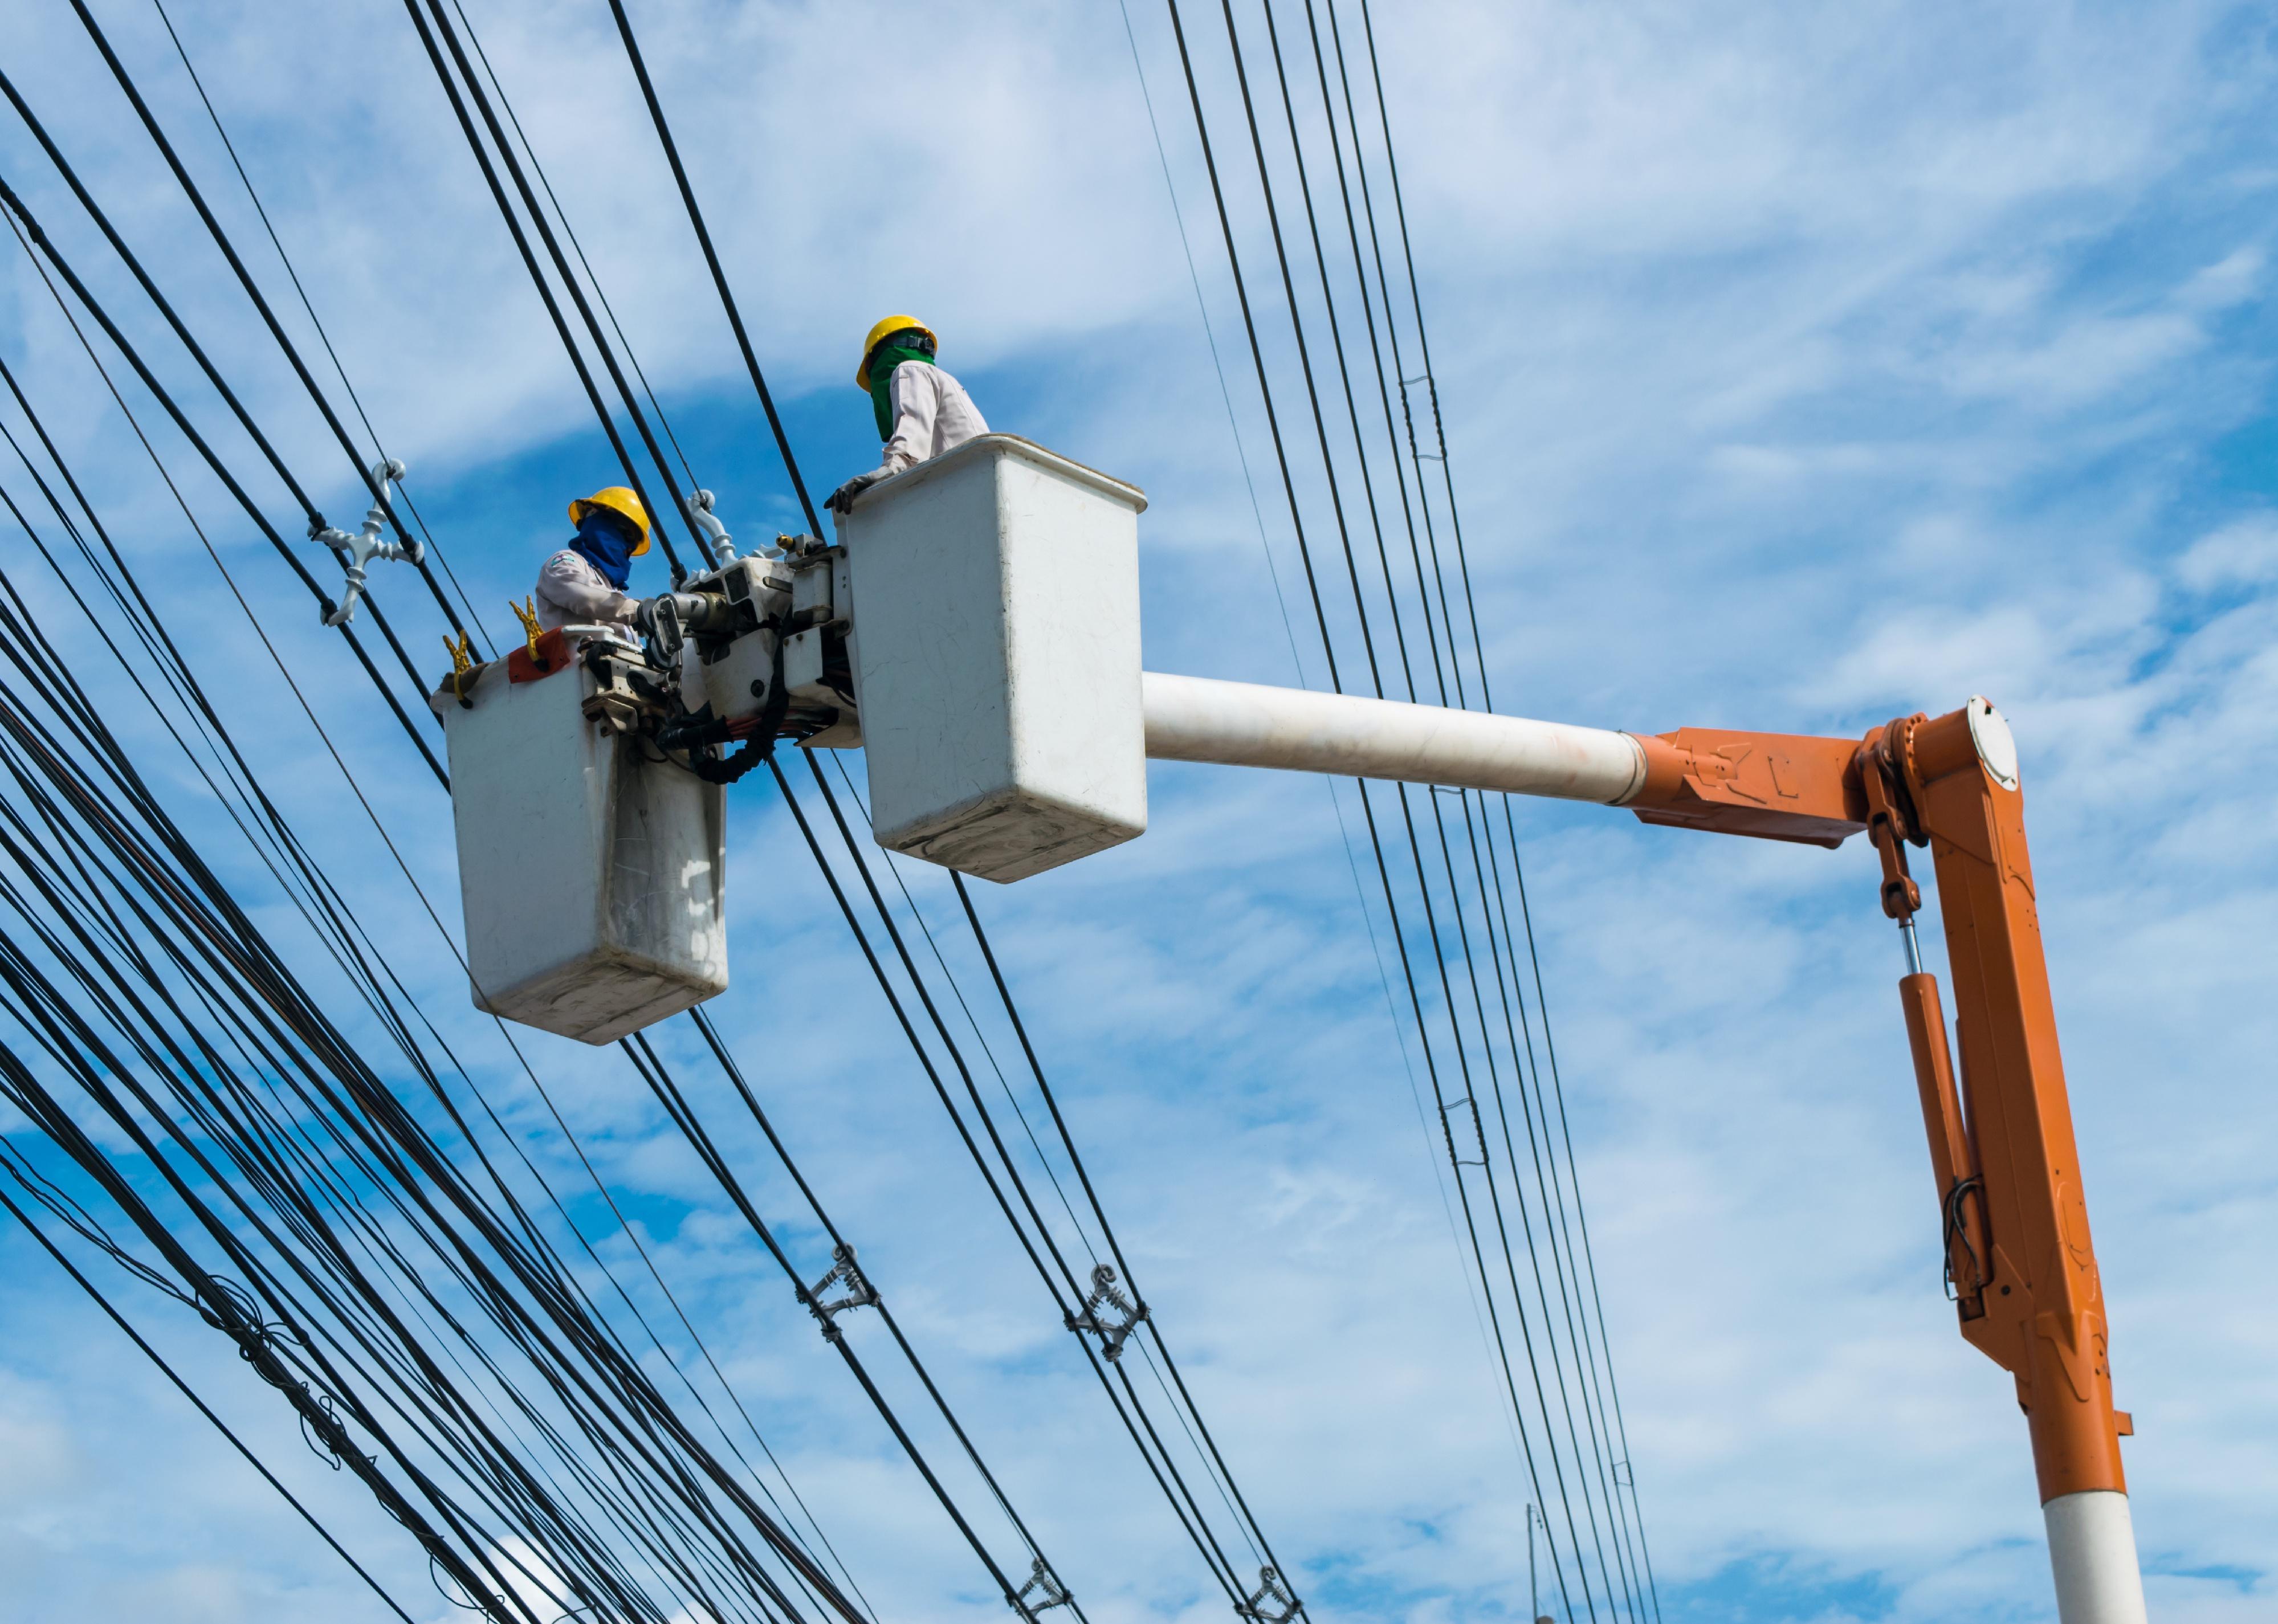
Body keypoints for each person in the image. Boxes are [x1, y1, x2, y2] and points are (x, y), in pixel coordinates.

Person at [827, 316, 988, 515]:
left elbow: (913, 430)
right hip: (973, 486)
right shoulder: (947, 382)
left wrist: (886, 472)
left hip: (959, 486)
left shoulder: (910, 370)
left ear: (875, 361)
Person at [536, 485, 651, 635]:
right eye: (628, 536)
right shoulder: (564, 563)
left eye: (633, 545)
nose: (628, 549)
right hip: (575, 658)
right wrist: (640, 611)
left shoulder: (613, 592)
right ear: (601, 523)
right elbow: (586, 597)